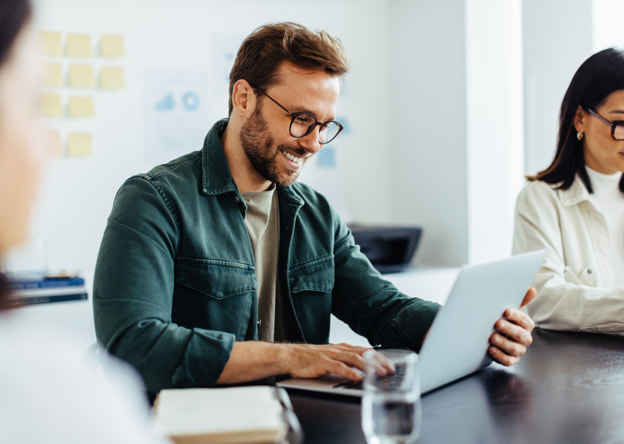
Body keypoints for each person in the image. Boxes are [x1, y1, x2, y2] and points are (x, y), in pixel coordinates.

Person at [94, 22, 536, 399]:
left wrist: (471, 327)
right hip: (199, 430)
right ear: (244, 98)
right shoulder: (154, 200)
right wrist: (291, 356)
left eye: (325, 126)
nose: (312, 143)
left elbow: (381, 307)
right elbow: (133, 344)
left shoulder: (317, 213)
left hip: (304, 420)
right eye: (301, 118)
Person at [0, 1, 169, 442]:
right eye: (33, 104)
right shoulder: (47, 394)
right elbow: (135, 341)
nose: (48, 145)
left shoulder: (313, 209)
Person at [513, 48, 624, 334]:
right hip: (573, 369)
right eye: (620, 123)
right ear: (580, 118)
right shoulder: (539, 200)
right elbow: (542, 300)